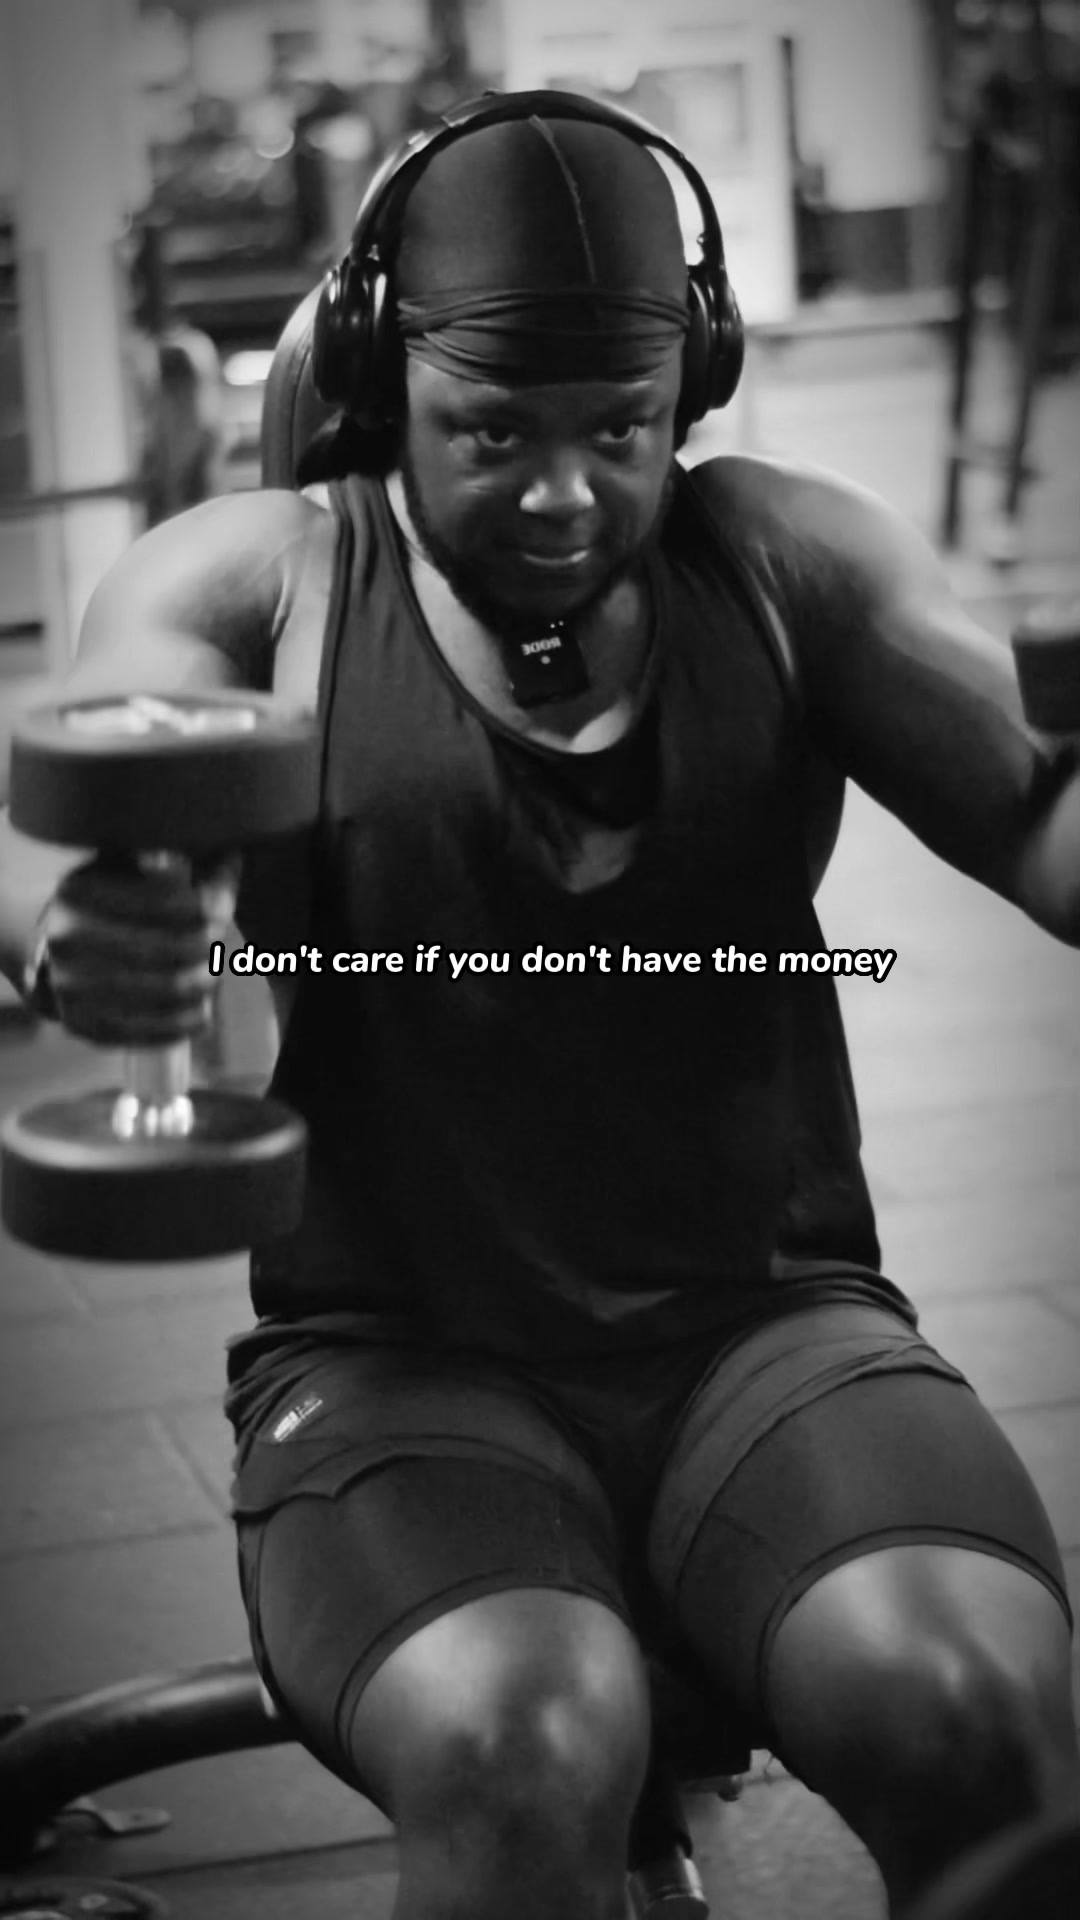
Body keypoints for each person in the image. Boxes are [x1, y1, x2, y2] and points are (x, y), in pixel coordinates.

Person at [1, 95, 1078, 1920]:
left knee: (976, 1708)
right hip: (392, 1357)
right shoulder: (261, 579)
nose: (567, 491)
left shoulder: (785, 566)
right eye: (494, 429)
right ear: (385, 378)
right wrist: (75, 932)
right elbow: (69, 814)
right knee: (524, 1743)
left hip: (768, 1327)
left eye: (620, 429)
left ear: (691, 388)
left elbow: (1040, 811)